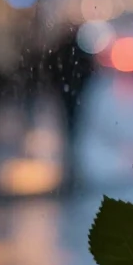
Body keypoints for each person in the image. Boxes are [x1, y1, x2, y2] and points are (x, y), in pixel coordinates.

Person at [44, 26, 96, 190]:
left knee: (70, 124)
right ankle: (73, 160)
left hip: (68, 93)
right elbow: (88, 69)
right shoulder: (78, 53)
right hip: (74, 94)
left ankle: (71, 160)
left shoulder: (62, 52)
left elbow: (51, 67)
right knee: (73, 125)